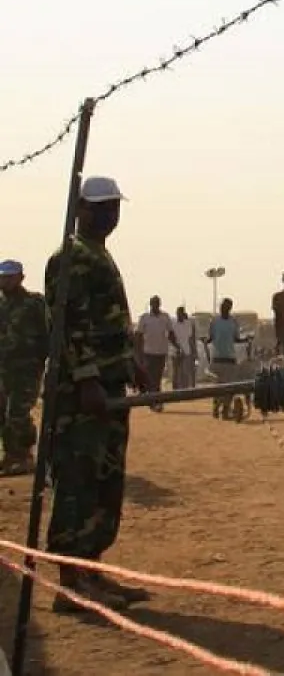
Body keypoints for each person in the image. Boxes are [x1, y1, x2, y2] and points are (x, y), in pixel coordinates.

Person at [44, 175, 154, 612]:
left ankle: (91, 570)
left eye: (114, 207)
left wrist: (131, 363)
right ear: (80, 209)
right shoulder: (69, 257)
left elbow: (108, 321)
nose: (110, 214)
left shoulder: (98, 255)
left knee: (105, 482)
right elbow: (69, 323)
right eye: (101, 207)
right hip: (80, 395)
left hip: (108, 389)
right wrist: (87, 378)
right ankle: (70, 583)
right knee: (78, 481)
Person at [0, 259, 48, 477]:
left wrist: (45, 359)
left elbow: (48, 331)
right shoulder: (2, 306)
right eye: (3, 277)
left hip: (27, 368)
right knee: (3, 413)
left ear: (20, 278)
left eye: (9, 277)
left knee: (17, 413)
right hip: (4, 368)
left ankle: (24, 456)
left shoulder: (34, 303)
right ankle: (11, 455)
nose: (5, 281)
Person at [133, 295, 175, 412]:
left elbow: (171, 333)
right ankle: (154, 402)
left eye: (157, 303)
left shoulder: (165, 317)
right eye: (154, 303)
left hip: (161, 352)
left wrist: (177, 346)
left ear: (159, 304)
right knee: (151, 378)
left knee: (158, 377)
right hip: (148, 353)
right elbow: (138, 335)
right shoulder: (144, 318)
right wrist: (138, 352)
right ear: (151, 304)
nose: (155, 305)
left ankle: (155, 400)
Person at [207, 298, 240, 420]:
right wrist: (205, 340)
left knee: (230, 387)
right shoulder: (214, 321)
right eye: (221, 306)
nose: (222, 308)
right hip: (217, 358)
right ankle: (216, 407)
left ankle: (225, 409)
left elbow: (236, 338)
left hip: (230, 358)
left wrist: (246, 340)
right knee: (218, 385)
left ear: (229, 308)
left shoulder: (233, 322)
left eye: (225, 306)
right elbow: (211, 337)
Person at [170, 305, 197, 390]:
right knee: (176, 373)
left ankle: (184, 391)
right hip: (175, 352)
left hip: (186, 351)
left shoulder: (188, 324)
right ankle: (175, 390)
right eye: (178, 314)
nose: (179, 315)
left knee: (185, 373)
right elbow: (170, 337)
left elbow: (191, 338)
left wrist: (194, 351)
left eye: (181, 313)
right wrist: (177, 348)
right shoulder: (173, 324)